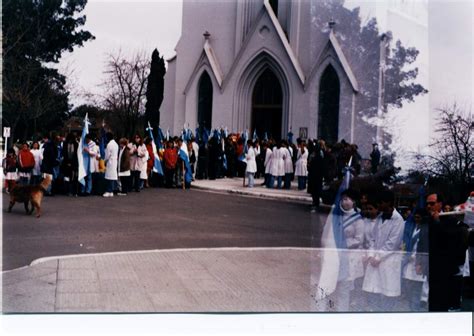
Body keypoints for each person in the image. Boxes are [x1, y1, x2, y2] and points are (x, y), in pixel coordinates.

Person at [416, 193, 469, 311]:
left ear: (440, 204)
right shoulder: (426, 220)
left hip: (444, 269)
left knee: (442, 299)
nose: (429, 206)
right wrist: (419, 261)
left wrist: (437, 222)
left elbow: (450, 241)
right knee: (431, 298)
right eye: (427, 204)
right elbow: (422, 241)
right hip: (430, 265)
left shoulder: (450, 220)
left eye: (432, 203)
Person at [316, 188, 365, 312]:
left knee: (343, 290)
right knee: (327, 285)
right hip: (332, 257)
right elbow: (326, 234)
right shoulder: (336, 215)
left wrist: (342, 244)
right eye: (343, 199)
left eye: (347, 199)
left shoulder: (358, 219)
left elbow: (359, 240)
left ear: (354, 201)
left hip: (347, 258)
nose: (344, 202)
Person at [362, 189, 405, 311]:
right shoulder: (380, 217)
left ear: (388, 202)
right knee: (373, 291)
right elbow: (373, 239)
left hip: (388, 262)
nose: (379, 205)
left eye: (380, 203)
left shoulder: (398, 220)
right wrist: (371, 255)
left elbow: (392, 243)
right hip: (374, 261)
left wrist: (378, 257)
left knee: (388, 295)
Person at [401, 209, 428, 311]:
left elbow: (424, 247)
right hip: (408, 263)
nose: (416, 219)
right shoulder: (411, 227)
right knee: (408, 290)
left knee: (416, 292)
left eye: (419, 217)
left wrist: (419, 261)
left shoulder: (426, 229)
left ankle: (415, 312)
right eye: (415, 217)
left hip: (419, 263)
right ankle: (412, 310)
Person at [307, 140, 326, 212]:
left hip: (316, 175)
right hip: (315, 175)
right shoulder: (317, 155)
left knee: (315, 190)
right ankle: (314, 202)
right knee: (314, 190)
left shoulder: (319, 155)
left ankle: (316, 203)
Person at [103, 132, 119, 197]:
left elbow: (107, 155)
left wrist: (104, 160)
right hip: (114, 161)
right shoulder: (116, 144)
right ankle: (111, 191)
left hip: (110, 161)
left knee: (109, 177)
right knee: (112, 177)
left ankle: (109, 190)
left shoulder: (109, 145)